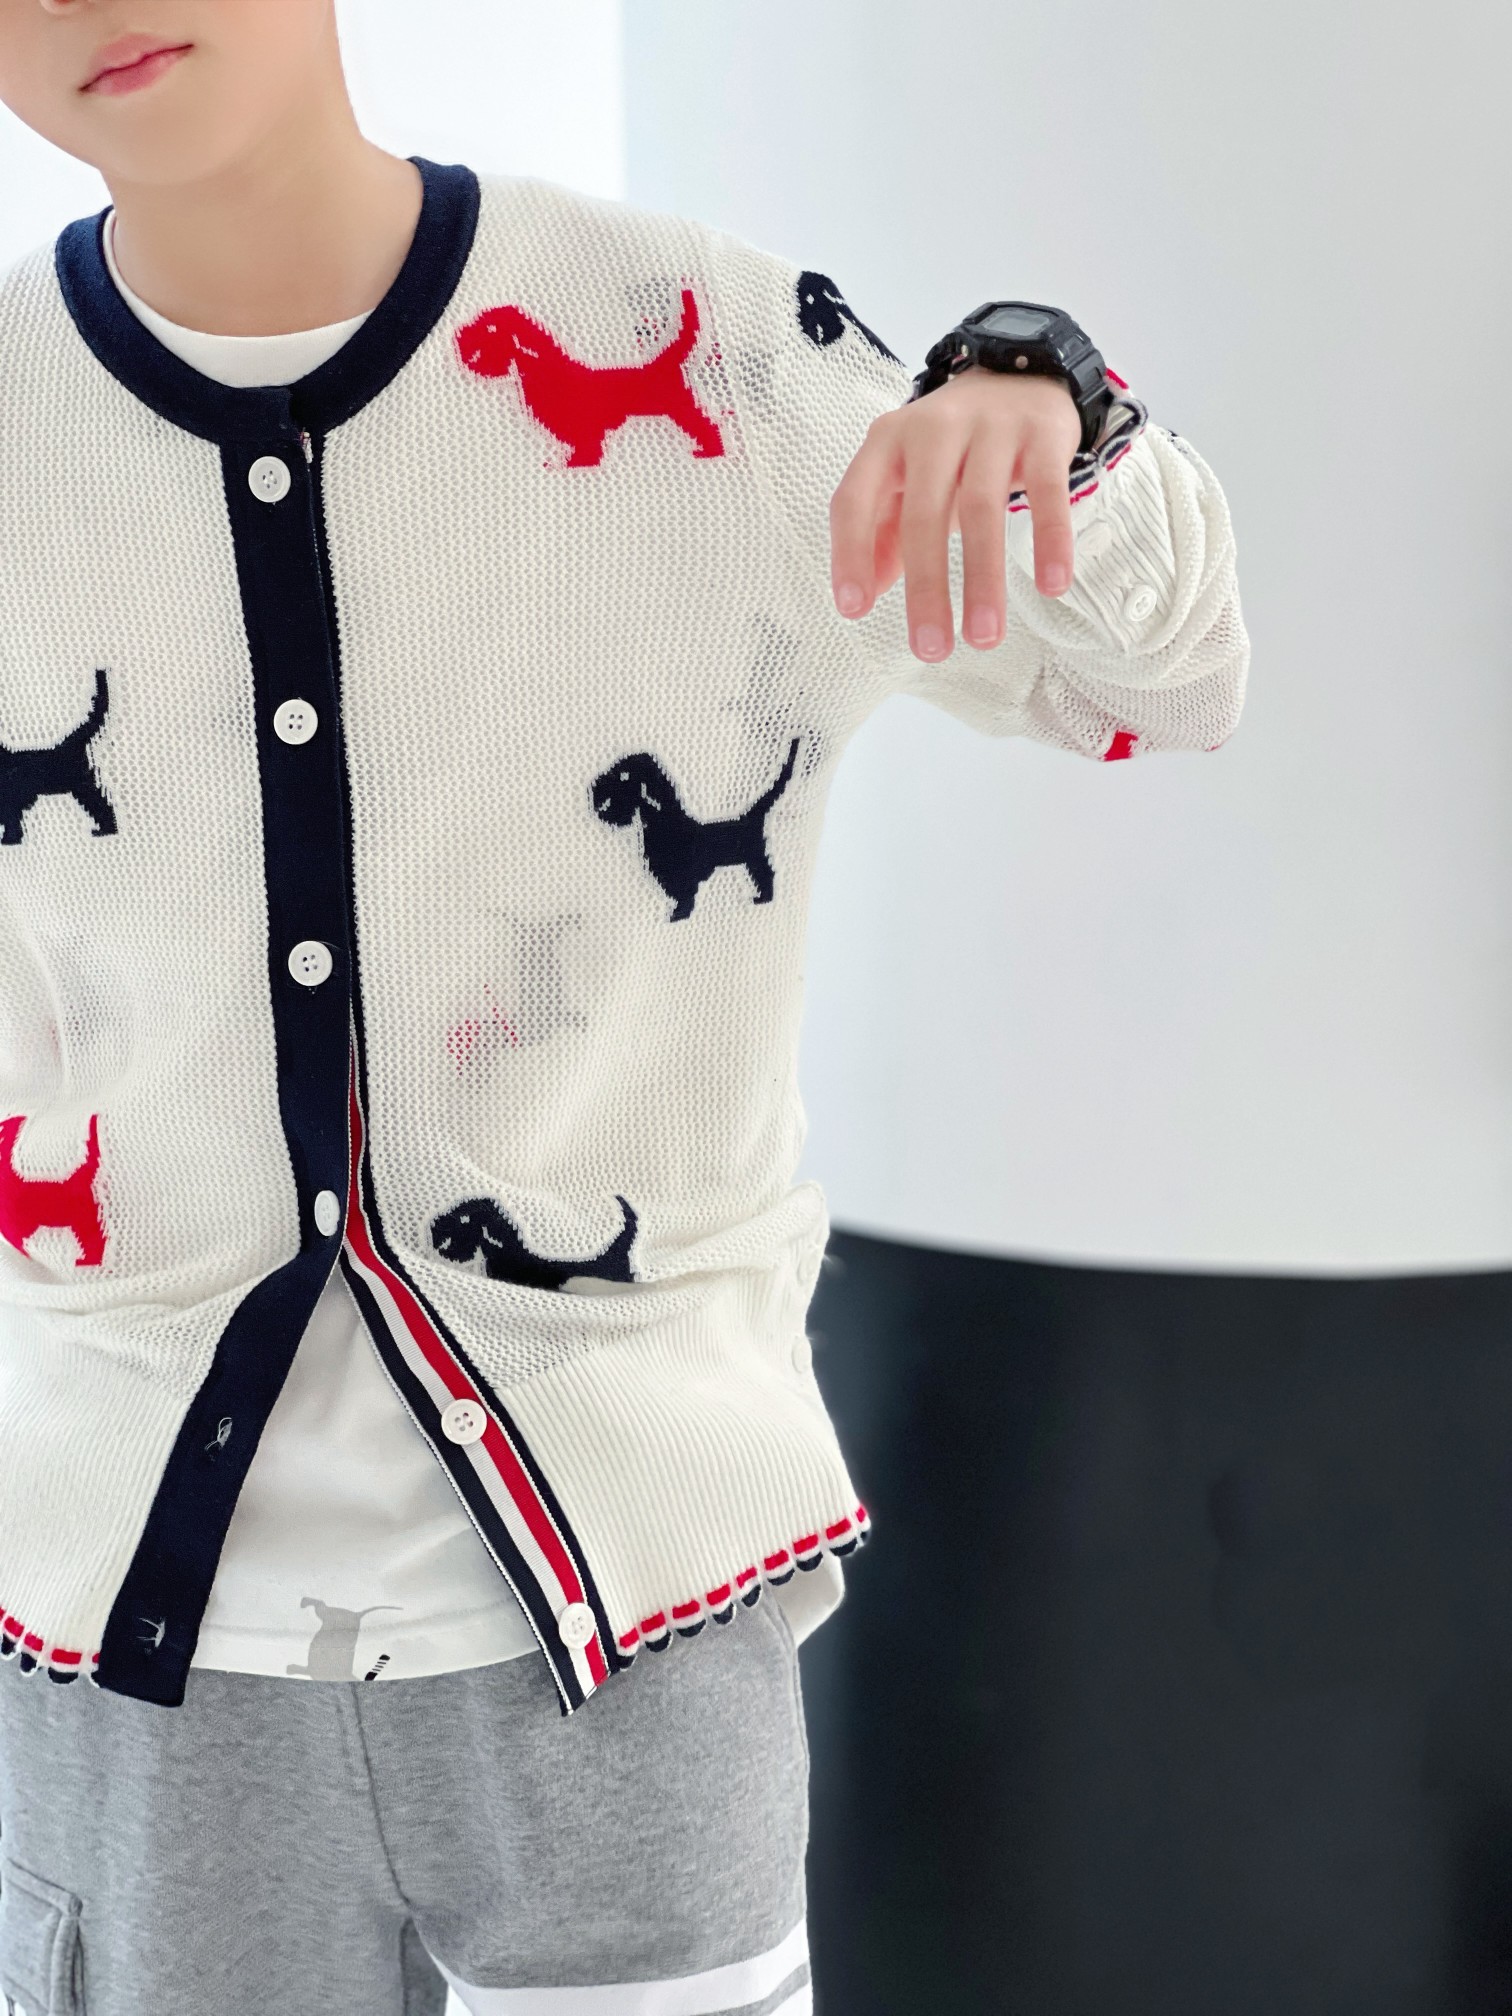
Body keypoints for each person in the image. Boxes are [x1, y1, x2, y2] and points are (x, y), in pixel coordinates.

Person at [0, 1, 1249, 2009]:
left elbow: (1160, 677)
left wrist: (1047, 389)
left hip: (627, 1618)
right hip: (126, 1649)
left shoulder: (714, 351)